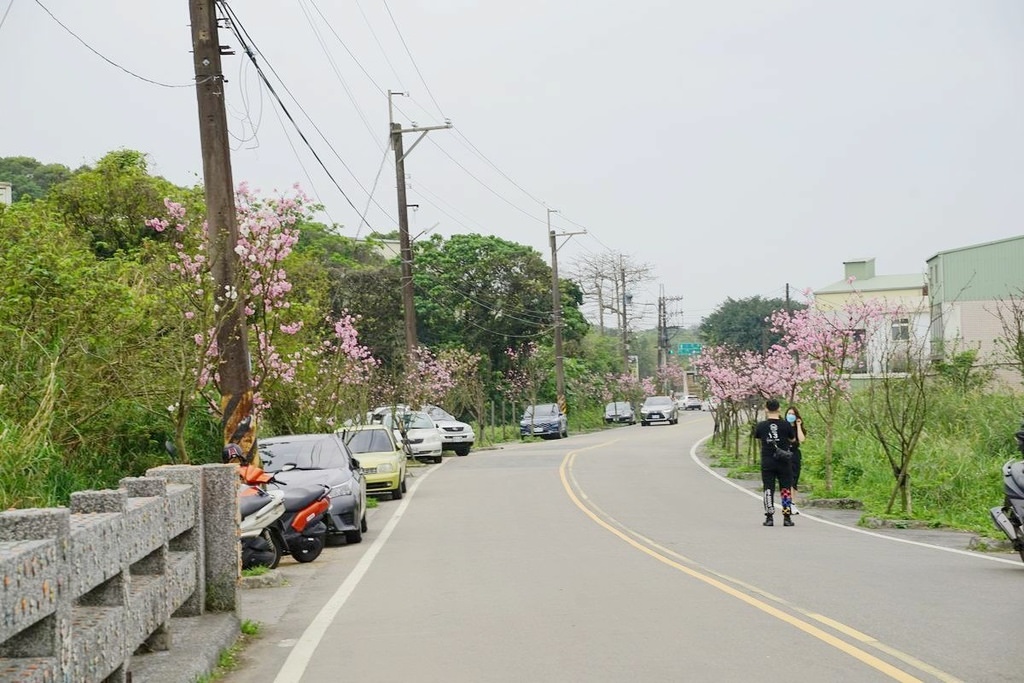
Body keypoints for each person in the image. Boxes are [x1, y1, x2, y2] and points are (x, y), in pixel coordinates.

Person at [753, 398, 796, 527]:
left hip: (768, 461)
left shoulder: (761, 425)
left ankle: (769, 517)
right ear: (779, 409)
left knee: (768, 489)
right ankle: (787, 518)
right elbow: (792, 439)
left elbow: (758, 437)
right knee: (785, 489)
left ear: (766, 409)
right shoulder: (786, 425)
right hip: (784, 461)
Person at [785, 405, 807, 514]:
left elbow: (802, 439)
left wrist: (798, 425)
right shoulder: (783, 427)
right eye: (789, 414)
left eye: (793, 414)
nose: (790, 416)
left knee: (794, 479)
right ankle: (787, 503)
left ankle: (793, 503)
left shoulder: (798, 428)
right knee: (786, 480)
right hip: (784, 454)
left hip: (795, 455)